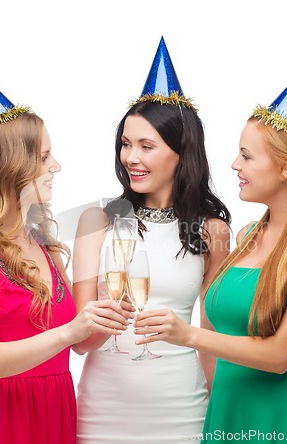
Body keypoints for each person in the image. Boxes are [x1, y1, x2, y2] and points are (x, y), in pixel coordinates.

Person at [134, 48, 287, 443]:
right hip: (228, 414)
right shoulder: (247, 235)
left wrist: (187, 336)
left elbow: (280, 357)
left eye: (247, 156)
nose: (234, 165)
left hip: (285, 421)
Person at [0, 59, 131, 444]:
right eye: (44, 157)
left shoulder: (43, 242)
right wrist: (70, 332)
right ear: (10, 165)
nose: (56, 166)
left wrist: (104, 315)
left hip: (56, 415)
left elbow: (77, 344)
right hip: (2, 424)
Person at [72, 37, 232, 443]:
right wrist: (106, 317)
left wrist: (221, 408)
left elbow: (211, 336)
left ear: (182, 152)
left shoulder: (212, 229)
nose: (130, 158)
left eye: (146, 146)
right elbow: (82, 343)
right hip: (103, 410)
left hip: (183, 407)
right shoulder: (97, 221)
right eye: (126, 144)